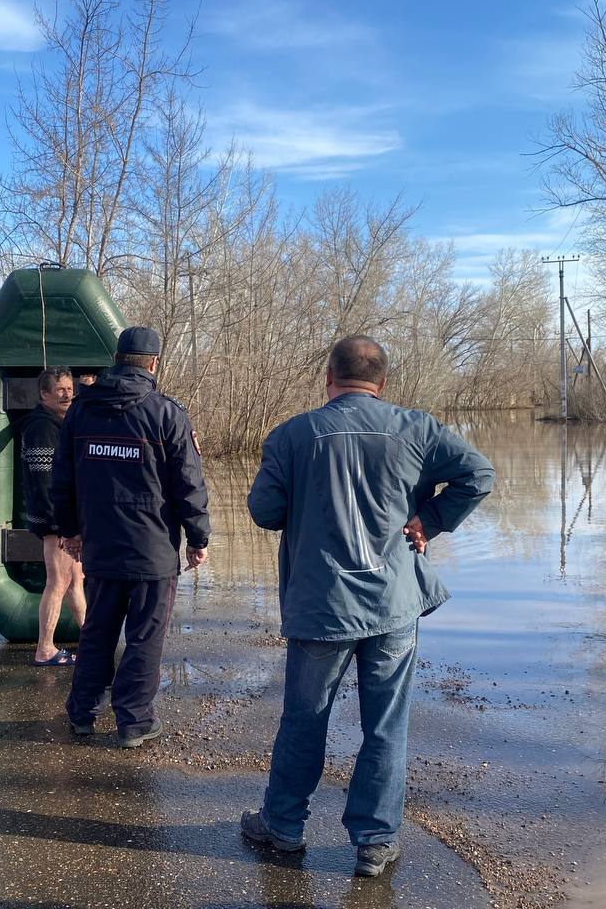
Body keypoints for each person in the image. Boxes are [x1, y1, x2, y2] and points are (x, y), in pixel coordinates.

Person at [239, 335, 495, 878]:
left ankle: (284, 826)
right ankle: (375, 843)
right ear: (382, 384)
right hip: (391, 602)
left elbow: (264, 511)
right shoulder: (417, 429)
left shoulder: (291, 436)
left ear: (328, 379)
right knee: (385, 725)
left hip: (321, 605)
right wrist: (430, 518)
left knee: (304, 719)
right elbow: (479, 475)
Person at [52, 326, 211, 748]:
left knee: (97, 631)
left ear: (117, 358)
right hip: (153, 552)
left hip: (101, 546)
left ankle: (83, 713)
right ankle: (134, 722)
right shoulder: (166, 414)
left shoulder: (81, 412)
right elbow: (188, 484)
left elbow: (62, 479)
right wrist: (198, 537)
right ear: (154, 364)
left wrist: (69, 531)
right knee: (144, 638)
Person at [21, 366, 86, 666]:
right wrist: (62, 527)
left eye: (70, 388)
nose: (67, 393)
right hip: (55, 522)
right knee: (58, 582)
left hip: (64, 520)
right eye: (60, 389)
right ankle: (45, 648)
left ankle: (90, 641)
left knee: (75, 580)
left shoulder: (59, 422)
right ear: (44, 393)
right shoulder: (41, 428)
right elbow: (45, 482)